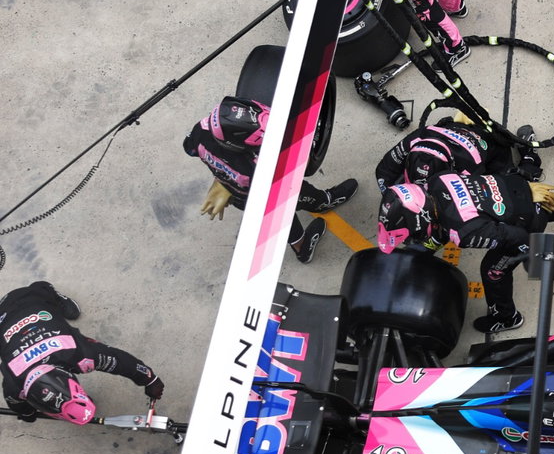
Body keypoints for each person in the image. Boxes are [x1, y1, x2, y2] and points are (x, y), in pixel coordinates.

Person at [375, 173, 554, 333]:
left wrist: (533, 252)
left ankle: (506, 318)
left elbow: (515, 238)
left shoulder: (464, 232)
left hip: (524, 223)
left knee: (493, 270)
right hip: (521, 189)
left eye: (413, 234)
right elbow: (447, 219)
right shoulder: (438, 181)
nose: (413, 238)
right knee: (551, 207)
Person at [183, 96, 358, 264]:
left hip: (238, 195)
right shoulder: (259, 169)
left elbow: (190, 149)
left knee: (278, 219)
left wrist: (221, 178)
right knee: (285, 211)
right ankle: (307, 237)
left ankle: (302, 239)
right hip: (263, 195)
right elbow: (290, 176)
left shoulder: (200, 131)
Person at [1, 281, 163, 424]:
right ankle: (46, 293)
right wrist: (25, 412)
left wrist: (149, 379)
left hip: (27, 302)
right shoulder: (13, 386)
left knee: (40, 294)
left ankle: (51, 293)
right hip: (16, 310)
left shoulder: (82, 354)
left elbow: (119, 361)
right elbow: (15, 403)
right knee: (40, 293)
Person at [372, 114, 541, 194]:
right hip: (453, 129)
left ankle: (529, 156)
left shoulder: (469, 163)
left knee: (515, 191)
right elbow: (383, 171)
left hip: (490, 147)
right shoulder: (418, 137)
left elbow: (476, 198)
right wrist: (391, 197)